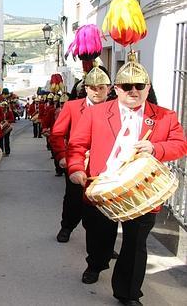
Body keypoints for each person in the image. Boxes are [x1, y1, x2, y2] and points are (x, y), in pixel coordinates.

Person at [67, 56, 187, 305]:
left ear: (148, 87)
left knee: (135, 244)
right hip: (102, 186)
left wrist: (156, 148)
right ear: (116, 89)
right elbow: (76, 145)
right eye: (127, 86)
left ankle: (128, 292)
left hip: (143, 191)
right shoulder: (95, 113)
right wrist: (76, 168)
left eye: (139, 86)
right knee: (100, 237)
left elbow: (180, 145)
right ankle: (96, 264)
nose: (133, 91)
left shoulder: (165, 116)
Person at [49, 65, 111, 244]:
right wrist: (61, 156)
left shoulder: (115, 108)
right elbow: (57, 134)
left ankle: (102, 246)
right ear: (86, 88)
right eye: (92, 87)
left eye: (101, 87)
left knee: (103, 207)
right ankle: (67, 226)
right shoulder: (72, 107)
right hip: (77, 162)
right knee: (73, 201)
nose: (97, 91)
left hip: (105, 168)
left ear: (109, 88)